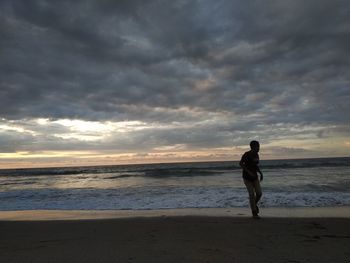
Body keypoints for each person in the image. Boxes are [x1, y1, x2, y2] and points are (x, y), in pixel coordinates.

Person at [239, 140, 263, 219]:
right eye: (258, 146)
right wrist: (249, 172)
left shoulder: (256, 155)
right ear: (253, 147)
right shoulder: (247, 154)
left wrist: (260, 173)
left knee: (259, 193)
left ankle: (254, 204)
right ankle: (254, 213)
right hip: (247, 178)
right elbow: (241, 164)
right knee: (252, 194)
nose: (259, 148)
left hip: (255, 177)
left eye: (259, 146)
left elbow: (255, 165)